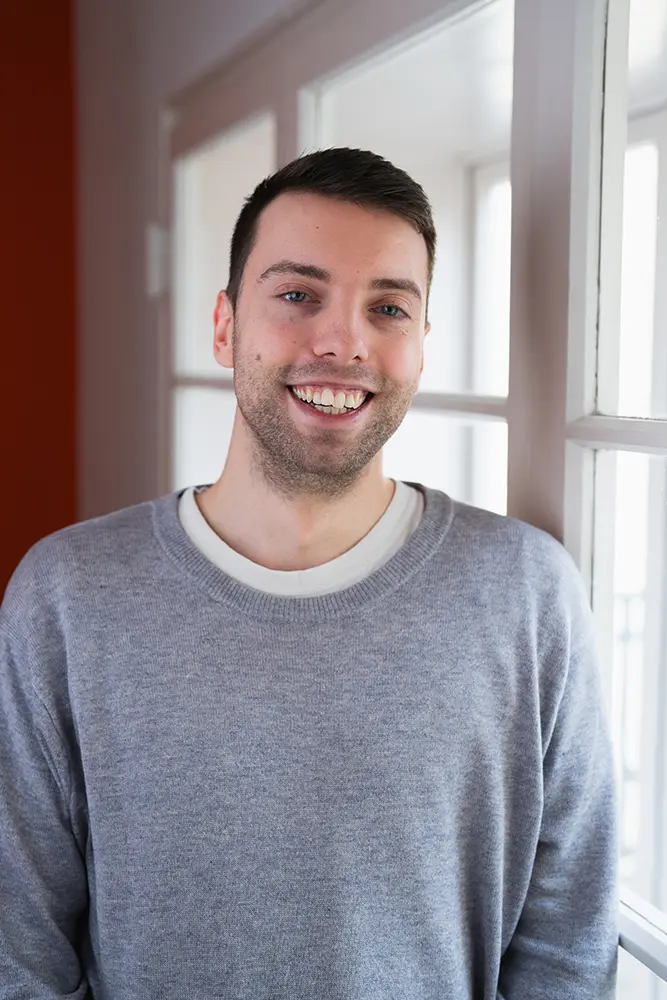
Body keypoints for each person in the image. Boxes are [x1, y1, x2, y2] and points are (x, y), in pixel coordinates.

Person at [0, 147, 617, 999]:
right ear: (224, 327)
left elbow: (567, 952)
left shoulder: (525, 593)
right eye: (297, 295)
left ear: (423, 346)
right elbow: (18, 952)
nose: (343, 342)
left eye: (389, 307)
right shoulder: (65, 596)